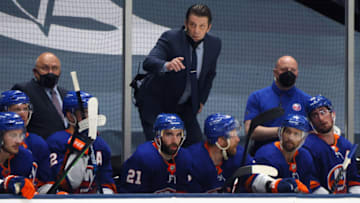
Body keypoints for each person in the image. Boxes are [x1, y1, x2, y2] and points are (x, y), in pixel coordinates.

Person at [137, 4, 222, 146]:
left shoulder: (215, 44)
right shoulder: (171, 38)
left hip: (185, 105)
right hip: (155, 103)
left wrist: (201, 100)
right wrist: (166, 65)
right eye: (192, 25)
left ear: (209, 27)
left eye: (202, 26)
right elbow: (149, 62)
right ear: (185, 24)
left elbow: (210, 74)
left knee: (196, 146)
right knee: (158, 148)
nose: (196, 31)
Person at [46, 91, 116, 194]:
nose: (91, 117)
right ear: (70, 116)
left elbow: (107, 184)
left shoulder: (100, 144)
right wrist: (78, 150)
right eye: (86, 113)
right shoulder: (56, 141)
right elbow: (62, 182)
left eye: (94, 113)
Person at [244, 55, 310, 155]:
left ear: (297, 73)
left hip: (296, 156)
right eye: (284, 69)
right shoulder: (257, 97)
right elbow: (250, 131)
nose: (289, 73)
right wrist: (282, 131)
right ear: (275, 72)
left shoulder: (306, 100)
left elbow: (313, 132)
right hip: (263, 155)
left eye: (293, 70)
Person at [119, 113, 196, 193]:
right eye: (169, 134)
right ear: (158, 136)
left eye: (179, 135)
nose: (174, 140)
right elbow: (130, 197)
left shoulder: (186, 158)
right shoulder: (143, 157)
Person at [253, 114, 326, 193]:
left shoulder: (305, 157)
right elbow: (261, 189)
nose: (290, 138)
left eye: (296, 134)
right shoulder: (266, 154)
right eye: (288, 132)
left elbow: (308, 189)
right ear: (281, 133)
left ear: (303, 139)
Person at [303, 95, 360, 194]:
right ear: (311, 122)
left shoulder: (346, 145)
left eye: (323, 112)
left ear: (332, 114)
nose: (320, 118)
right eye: (315, 115)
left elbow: (353, 181)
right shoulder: (307, 147)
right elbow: (311, 184)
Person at [0, 90, 52, 193]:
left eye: (25, 109)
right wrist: (4, 183)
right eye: (17, 109)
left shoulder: (25, 156)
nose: (23, 113)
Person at [187, 113, 253, 192]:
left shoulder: (239, 154)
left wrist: (269, 184)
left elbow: (255, 177)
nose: (238, 139)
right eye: (233, 135)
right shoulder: (191, 159)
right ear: (221, 141)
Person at [12, 52, 67, 140]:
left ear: (60, 71)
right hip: (38, 149)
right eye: (45, 68)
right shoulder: (23, 90)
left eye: (54, 68)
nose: (50, 72)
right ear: (35, 72)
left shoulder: (66, 94)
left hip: (65, 148)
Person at [0, 112, 36, 199]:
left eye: (21, 135)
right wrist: (6, 183)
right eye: (13, 135)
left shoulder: (25, 157)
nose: (19, 141)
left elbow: (31, 192)